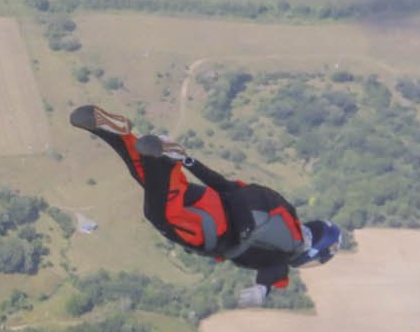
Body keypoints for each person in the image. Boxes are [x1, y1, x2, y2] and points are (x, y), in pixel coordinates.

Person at [71, 103, 344, 304]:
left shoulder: (284, 215)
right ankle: (164, 159)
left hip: (210, 201)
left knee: (155, 184)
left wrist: (188, 161)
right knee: (159, 214)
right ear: (316, 250)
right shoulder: (290, 247)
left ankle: (116, 133)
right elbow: (275, 269)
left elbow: (225, 185)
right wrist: (262, 289)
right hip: (212, 230)